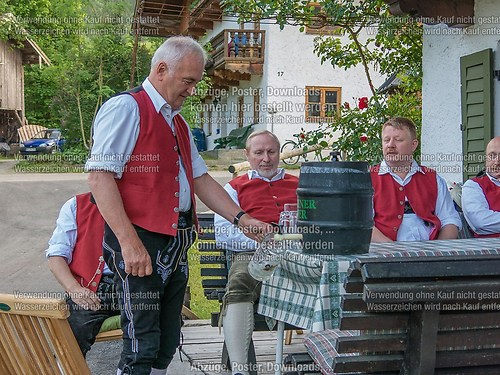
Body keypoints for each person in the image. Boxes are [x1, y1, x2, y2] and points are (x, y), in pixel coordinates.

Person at [85, 36, 269, 375]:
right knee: (142, 340)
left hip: (176, 240)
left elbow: (200, 180)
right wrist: (129, 243)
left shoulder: (178, 122)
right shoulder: (127, 108)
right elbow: (100, 177)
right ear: (161, 69)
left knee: (168, 338)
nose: (192, 90)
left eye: (196, 82)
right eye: (188, 81)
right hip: (140, 240)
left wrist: (242, 218)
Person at [214, 130, 299, 375]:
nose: (266, 158)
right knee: (240, 279)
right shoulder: (233, 188)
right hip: (253, 252)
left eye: (271, 152)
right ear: (247, 155)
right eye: (259, 152)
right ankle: (240, 369)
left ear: (279, 153)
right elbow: (223, 233)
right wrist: (263, 241)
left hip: (297, 251)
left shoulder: (299, 184)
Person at [46, 192, 119, 356]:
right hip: (92, 291)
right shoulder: (76, 206)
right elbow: (56, 256)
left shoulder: (147, 202)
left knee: (156, 329)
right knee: (72, 336)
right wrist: (75, 289)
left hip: (137, 285)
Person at [371, 117, 461, 242]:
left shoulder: (433, 178)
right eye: (386, 140)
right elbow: (363, 225)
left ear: (413, 145)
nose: (390, 145)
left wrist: (437, 253)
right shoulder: (369, 179)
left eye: (398, 140)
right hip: (383, 255)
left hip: (429, 255)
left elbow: (450, 220)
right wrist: (392, 251)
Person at [462, 136, 500, 237]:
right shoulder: (473, 186)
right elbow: (480, 222)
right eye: (492, 156)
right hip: (492, 249)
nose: (497, 162)